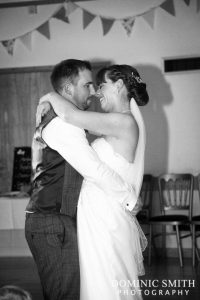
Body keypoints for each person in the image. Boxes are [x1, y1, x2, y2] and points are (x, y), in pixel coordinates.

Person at [25, 59, 141, 300]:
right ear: (68, 89)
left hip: (72, 219)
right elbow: (93, 169)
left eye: (97, 85)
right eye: (88, 85)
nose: (94, 92)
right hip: (53, 220)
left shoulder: (69, 119)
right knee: (64, 293)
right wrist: (129, 198)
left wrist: (47, 96)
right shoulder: (62, 123)